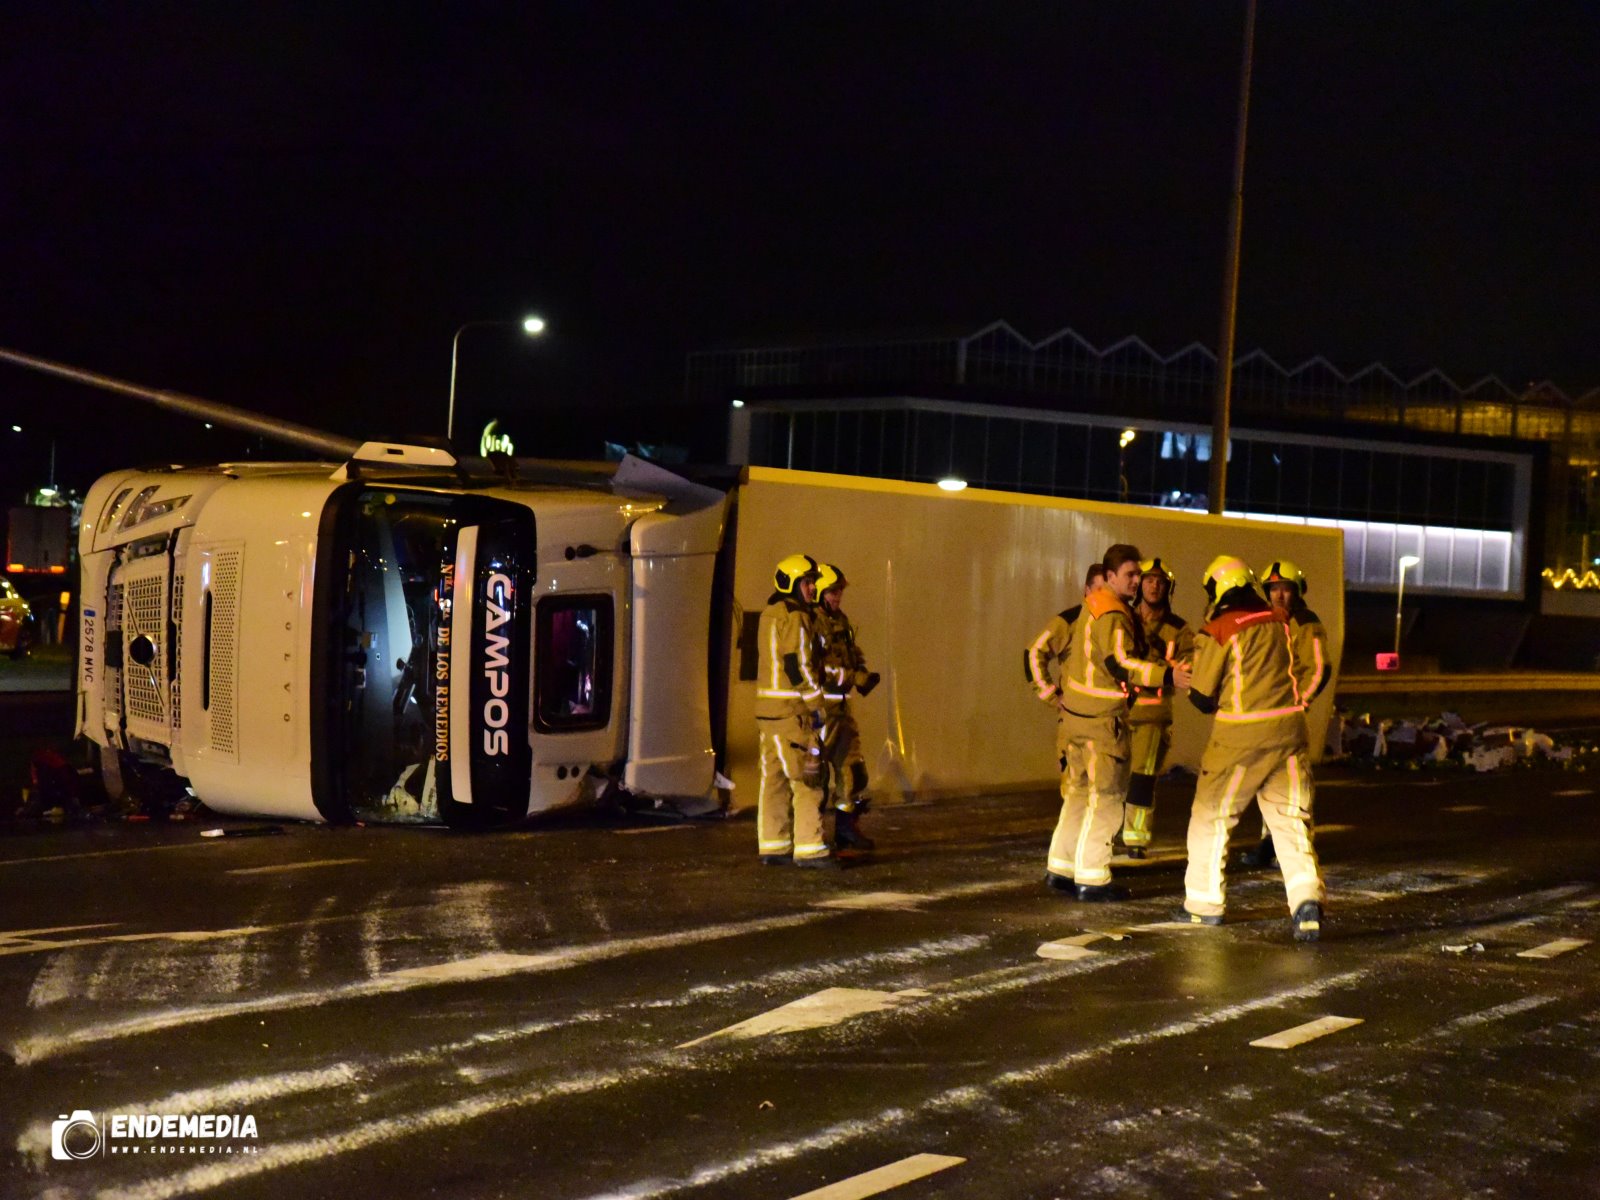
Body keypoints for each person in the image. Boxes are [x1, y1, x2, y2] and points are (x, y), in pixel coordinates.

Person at [1178, 556, 1325, 941]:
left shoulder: (1219, 629)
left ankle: (1203, 904)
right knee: (1289, 820)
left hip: (1238, 738)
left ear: (1217, 590)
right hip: (1290, 733)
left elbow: (1201, 697)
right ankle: (1305, 898)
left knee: (1211, 818)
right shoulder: (1281, 622)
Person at [1041, 545, 1187, 901]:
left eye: (1139, 575)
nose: (1137, 582)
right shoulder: (1114, 613)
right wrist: (1168, 675)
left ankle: (1061, 867)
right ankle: (1092, 877)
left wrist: (1051, 693)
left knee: (1077, 796)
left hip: (1076, 720)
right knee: (1105, 800)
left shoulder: (1091, 607)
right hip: (1102, 724)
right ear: (1109, 577)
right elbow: (1120, 661)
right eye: (1130, 575)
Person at [1237, 559, 1332, 868]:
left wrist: (1300, 703)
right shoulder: (1268, 622)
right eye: (1273, 589)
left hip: (1289, 718)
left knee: (1295, 787)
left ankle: (1296, 848)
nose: (1279, 595)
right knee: (1269, 784)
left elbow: (1319, 669)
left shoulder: (1306, 623)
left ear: (1297, 592)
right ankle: (1270, 843)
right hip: (1268, 717)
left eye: (1285, 589)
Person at [753, 554, 834, 867]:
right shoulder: (796, 616)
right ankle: (810, 847)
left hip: (767, 712)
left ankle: (773, 844)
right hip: (790, 711)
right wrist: (816, 703)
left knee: (772, 779)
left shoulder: (769, 614)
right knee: (807, 779)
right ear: (792, 584)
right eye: (807, 582)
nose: (812, 588)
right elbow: (796, 664)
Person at [1120, 557, 1194, 858]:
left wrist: (1163, 665)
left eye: (1160, 581)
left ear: (1168, 588)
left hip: (1153, 713)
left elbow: (1191, 664)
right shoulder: (1124, 617)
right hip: (1120, 710)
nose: (1154, 585)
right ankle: (1106, 829)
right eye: (1149, 579)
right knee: (1114, 776)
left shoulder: (1179, 629)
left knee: (1142, 776)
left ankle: (1136, 837)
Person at [814, 563, 881, 851]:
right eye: (831, 592)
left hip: (842, 709)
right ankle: (808, 833)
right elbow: (817, 667)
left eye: (839, 592)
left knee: (852, 770)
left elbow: (851, 653)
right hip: (820, 710)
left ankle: (846, 829)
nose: (837, 597)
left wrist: (862, 671)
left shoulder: (840, 620)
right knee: (815, 775)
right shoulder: (811, 622)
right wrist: (854, 677)